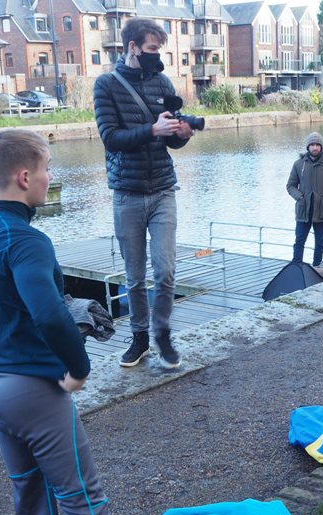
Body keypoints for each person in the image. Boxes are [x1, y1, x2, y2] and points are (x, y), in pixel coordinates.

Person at [0, 128, 124, 515]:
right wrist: (79, 369)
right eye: (47, 169)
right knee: (79, 486)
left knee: (25, 476)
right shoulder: (28, 240)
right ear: (24, 177)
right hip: (34, 388)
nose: (50, 177)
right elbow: (50, 315)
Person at [93, 17, 194, 370]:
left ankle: (162, 334)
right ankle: (139, 338)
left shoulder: (162, 82)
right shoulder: (106, 84)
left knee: (165, 271)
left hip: (163, 189)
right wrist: (152, 129)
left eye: (159, 49)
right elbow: (111, 138)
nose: (156, 55)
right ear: (132, 47)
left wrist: (181, 134)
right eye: (152, 49)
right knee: (135, 276)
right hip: (128, 193)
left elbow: (170, 141)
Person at [286, 131, 323, 267]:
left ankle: (317, 267)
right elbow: (290, 186)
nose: (315, 147)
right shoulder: (298, 164)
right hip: (303, 211)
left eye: (318, 145)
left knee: (319, 243)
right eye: (312, 145)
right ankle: (296, 267)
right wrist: (299, 197)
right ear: (308, 146)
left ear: (321, 147)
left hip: (322, 210)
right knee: (299, 241)